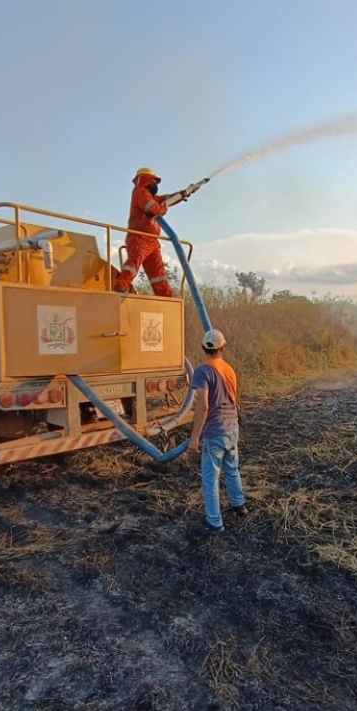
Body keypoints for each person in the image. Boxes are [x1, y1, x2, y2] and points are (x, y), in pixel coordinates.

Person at [189, 328, 247, 534]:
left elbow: (203, 406)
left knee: (210, 479)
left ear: (203, 347)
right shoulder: (229, 369)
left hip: (215, 431)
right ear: (222, 347)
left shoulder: (202, 371)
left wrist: (194, 438)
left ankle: (215, 523)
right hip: (232, 427)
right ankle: (239, 504)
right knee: (232, 469)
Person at [114, 167, 175, 297]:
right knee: (133, 263)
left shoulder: (149, 195)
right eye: (153, 181)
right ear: (146, 180)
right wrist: (163, 208)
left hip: (152, 241)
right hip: (139, 238)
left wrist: (183, 194)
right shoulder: (140, 192)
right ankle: (121, 287)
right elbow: (152, 208)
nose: (155, 184)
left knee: (158, 273)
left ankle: (166, 297)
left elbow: (164, 199)